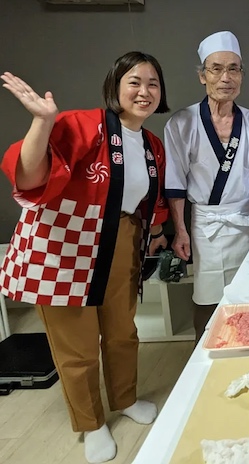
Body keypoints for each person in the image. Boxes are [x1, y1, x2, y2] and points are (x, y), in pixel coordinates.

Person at [0, 52, 170, 463]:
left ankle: (125, 398)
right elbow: (31, 174)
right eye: (134, 81)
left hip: (121, 241)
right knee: (75, 347)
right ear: (114, 85)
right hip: (64, 244)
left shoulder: (152, 145)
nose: (144, 91)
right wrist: (42, 122)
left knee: (121, 332)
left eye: (152, 83)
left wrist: (159, 232)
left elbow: (154, 199)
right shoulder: (80, 124)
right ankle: (91, 423)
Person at [164, 31, 249, 342]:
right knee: (206, 296)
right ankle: (206, 354)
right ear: (202, 75)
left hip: (248, 220)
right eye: (216, 68)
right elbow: (174, 182)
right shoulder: (182, 122)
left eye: (234, 68)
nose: (226, 77)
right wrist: (181, 230)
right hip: (206, 223)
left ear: (242, 74)